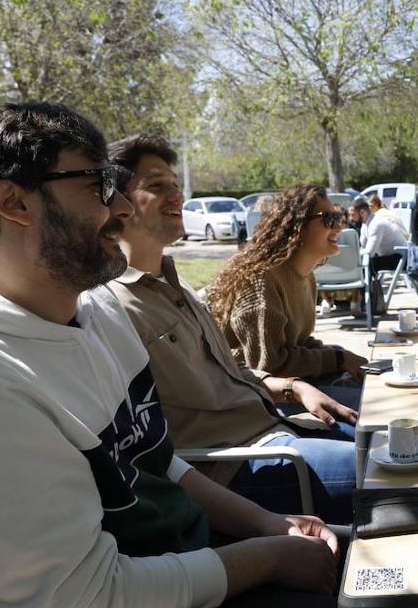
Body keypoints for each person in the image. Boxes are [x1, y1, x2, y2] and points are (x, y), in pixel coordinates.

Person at [0, 103, 343, 608]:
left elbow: (154, 460)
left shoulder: (93, 307)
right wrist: (264, 560)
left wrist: (267, 525)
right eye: (98, 184)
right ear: (12, 202)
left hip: (189, 567)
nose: (119, 206)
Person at [106, 135, 357, 523]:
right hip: (234, 464)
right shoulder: (108, 306)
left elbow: (232, 370)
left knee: (395, 443)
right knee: (386, 471)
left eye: (176, 185)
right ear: (116, 203)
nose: (176, 197)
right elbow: (139, 448)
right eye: (157, 186)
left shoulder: (179, 285)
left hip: (273, 428)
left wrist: (293, 386)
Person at [206, 184, 369, 403]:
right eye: (329, 218)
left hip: (291, 386)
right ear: (298, 226)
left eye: (339, 216)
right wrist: (337, 359)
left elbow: (297, 344)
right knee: (366, 415)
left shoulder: (305, 276)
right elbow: (269, 365)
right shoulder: (261, 280)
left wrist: (341, 356)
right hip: (249, 399)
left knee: (377, 391)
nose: (340, 225)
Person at [351, 193, 407, 315]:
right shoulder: (365, 225)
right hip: (388, 257)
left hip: (401, 258)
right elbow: (362, 247)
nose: (351, 218)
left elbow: (369, 252)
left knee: (366, 265)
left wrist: (352, 256)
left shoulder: (377, 224)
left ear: (362, 213)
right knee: (362, 264)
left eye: (353, 215)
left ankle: (362, 303)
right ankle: (360, 302)